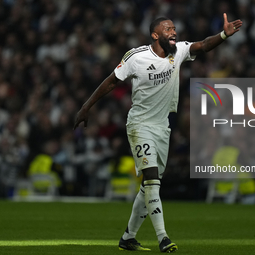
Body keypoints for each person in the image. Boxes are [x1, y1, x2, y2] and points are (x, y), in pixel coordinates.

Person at [74, 13, 242, 253]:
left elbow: (203, 45)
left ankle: (128, 237)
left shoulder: (179, 51)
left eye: (174, 28)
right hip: (140, 125)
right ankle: (163, 237)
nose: (173, 31)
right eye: (167, 28)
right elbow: (111, 81)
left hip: (162, 127)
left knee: (149, 186)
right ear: (155, 35)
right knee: (151, 179)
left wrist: (224, 34)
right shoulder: (137, 57)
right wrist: (86, 107)